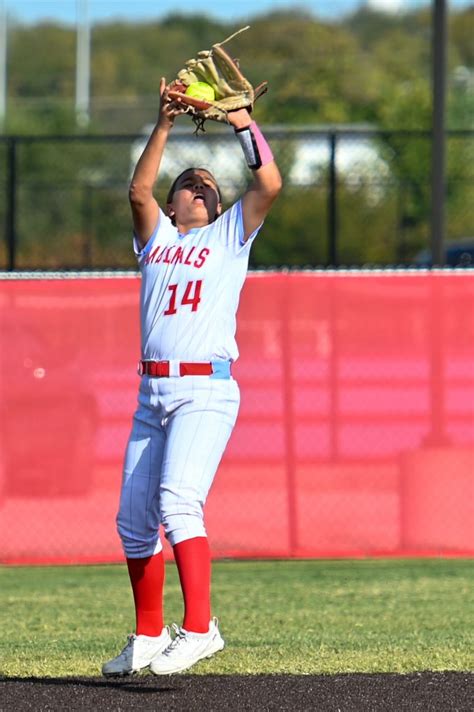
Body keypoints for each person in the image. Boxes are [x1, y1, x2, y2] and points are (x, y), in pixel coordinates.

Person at [102, 77, 282, 677]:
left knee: (179, 505)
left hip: (205, 387)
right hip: (151, 392)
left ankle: (201, 629)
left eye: (208, 185)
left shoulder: (230, 236)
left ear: (220, 204)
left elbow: (269, 183)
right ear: (174, 203)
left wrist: (240, 123)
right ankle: (149, 635)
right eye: (188, 184)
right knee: (133, 521)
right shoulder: (156, 240)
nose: (199, 187)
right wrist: (165, 121)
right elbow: (137, 189)